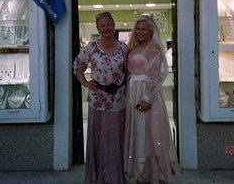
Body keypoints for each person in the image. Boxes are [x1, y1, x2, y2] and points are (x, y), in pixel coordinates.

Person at [73, 12, 128, 184]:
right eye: (102, 25)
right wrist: (84, 83)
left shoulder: (124, 48)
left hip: (118, 100)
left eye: (109, 24)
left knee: (116, 139)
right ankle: (98, 176)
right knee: (99, 138)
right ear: (98, 28)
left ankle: (115, 176)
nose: (106, 28)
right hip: (97, 100)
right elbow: (77, 65)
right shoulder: (92, 47)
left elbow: (131, 71)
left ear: (113, 24)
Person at [124, 15, 177, 184]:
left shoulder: (154, 48)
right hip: (133, 93)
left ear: (151, 31)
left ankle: (156, 172)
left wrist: (147, 98)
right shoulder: (133, 47)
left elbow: (155, 76)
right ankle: (145, 172)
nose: (140, 32)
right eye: (138, 29)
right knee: (141, 135)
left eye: (144, 29)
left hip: (148, 95)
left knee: (151, 133)